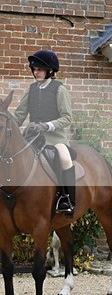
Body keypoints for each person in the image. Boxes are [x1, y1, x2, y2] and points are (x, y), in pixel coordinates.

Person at [14, 50, 76, 216]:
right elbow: (19, 115)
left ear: (49, 71)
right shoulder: (31, 89)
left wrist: (48, 126)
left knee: (65, 158)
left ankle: (67, 199)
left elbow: (67, 118)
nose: (36, 72)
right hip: (32, 134)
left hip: (54, 137)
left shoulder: (59, 89)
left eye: (40, 69)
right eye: (34, 69)